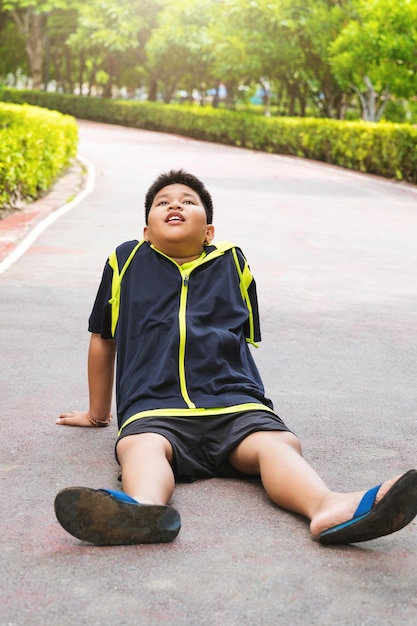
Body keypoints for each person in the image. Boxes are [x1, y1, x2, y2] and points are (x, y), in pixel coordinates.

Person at [54, 169, 417, 547]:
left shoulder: (232, 263)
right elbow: (103, 337)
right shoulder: (124, 260)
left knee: (274, 444)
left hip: (233, 403)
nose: (174, 204)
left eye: (188, 201)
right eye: (162, 202)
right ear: (146, 232)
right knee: (140, 448)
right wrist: (98, 414)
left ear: (209, 231)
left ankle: (326, 506)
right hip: (154, 407)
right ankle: (140, 509)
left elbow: (242, 338)